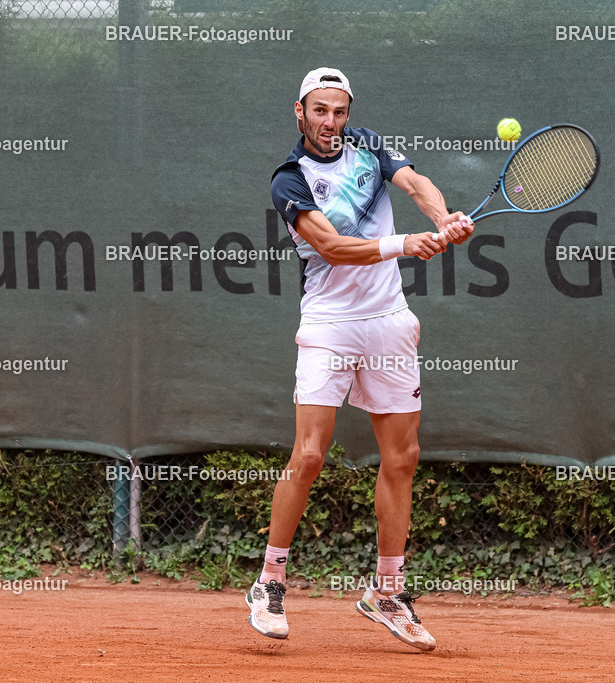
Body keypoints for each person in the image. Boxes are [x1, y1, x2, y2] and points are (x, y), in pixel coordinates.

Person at [246, 67, 473, 652]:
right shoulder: (289, 179)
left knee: (403, 457)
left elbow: (416, 183)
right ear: (299, 111)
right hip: (329, 327)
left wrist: (441, 218)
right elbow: (332, 247)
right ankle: (269, 581)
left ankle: (387, 592)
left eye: (339, 111)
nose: (331, 123)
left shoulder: (369, 146)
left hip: (389, 325)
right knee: (311, 453)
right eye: (319, 111)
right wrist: (404, 244)